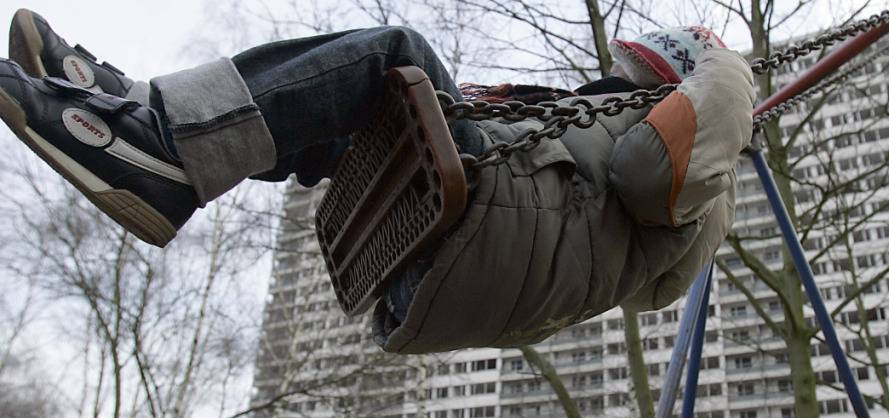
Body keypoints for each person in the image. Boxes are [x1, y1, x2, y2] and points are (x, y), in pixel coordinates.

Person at [0, 9, 755, 353]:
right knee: (345, 109)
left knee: (395, 54)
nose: (609, 85)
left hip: (485, 239)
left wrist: (729, 71)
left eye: (633, 81)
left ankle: (160, 148)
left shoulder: (701, 178)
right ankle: (129, 110)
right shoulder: (601, 131)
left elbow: (647, 168)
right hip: (448, 263)